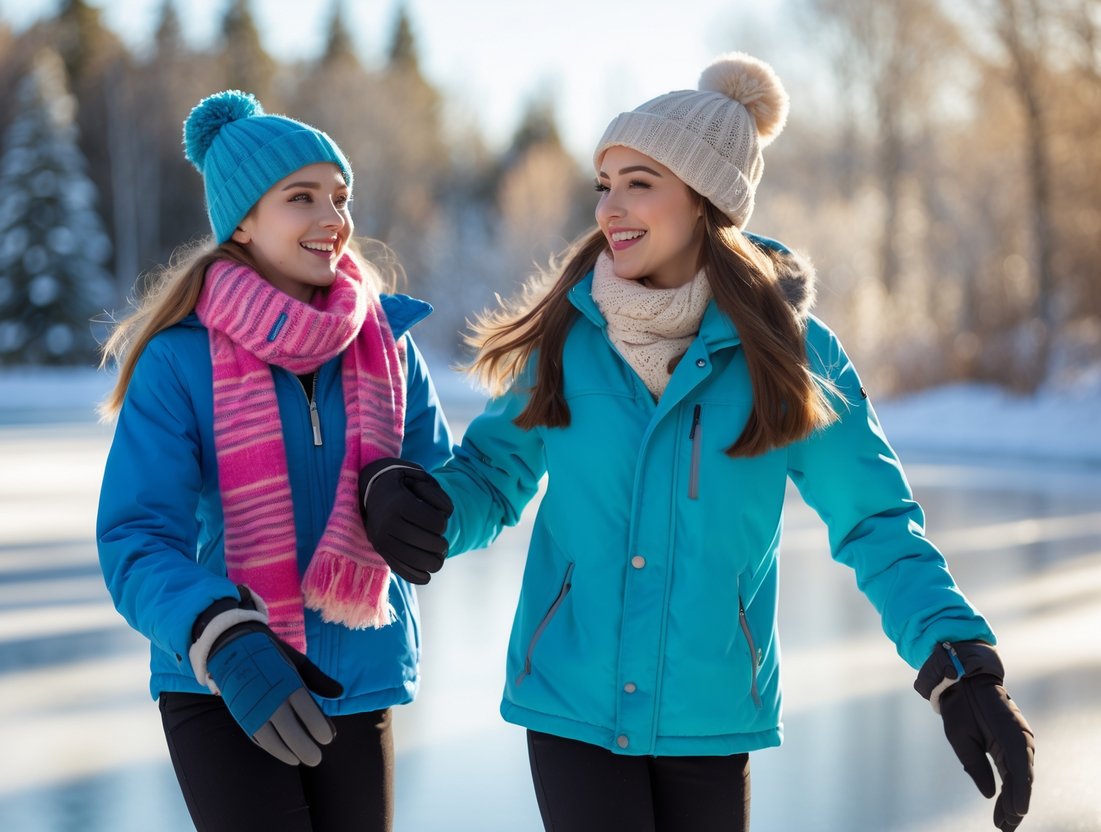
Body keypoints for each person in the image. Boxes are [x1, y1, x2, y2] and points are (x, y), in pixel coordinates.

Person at [358, 54, 1035, 832]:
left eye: (638, 181)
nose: (609, 206)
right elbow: (493, 472)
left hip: (708, 709)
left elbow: (874, 523)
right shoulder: (569, 337)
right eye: (602, 184)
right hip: (571, 701)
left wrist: (958, 665)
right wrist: (427, 505)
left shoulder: (790, 355)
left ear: (705, 197)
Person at [96, 90, 453, 832]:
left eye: (340, 196)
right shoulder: (178, 361)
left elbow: (448, 491)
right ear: (244, 222)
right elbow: (135, 539)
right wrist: (220, 635)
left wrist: (403, 491)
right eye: (301, 198)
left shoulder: (389, 346)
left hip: (358, 672)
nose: (334, 219)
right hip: (222, 682)